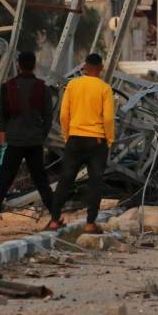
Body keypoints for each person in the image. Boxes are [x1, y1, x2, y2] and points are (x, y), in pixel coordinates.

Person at [0, 51, 55, 232]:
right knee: (41, 180)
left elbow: (2, 115)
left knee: (4, 179)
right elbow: (48, 116)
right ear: (34, 65)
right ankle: (56, 216)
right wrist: (41, 135)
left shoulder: (8, 87)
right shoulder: (42, 88)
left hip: (14, 141)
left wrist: (4, 134)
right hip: (34, 142)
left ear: (18, 66)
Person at [46, 53, 115, 233]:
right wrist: (109, 139)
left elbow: (63, 114)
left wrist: (67, 135)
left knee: (65, 179)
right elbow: (108, 118)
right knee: (95, 182)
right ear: (100, 68)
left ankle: (54, 220)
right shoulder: (104, 88)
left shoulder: (72, 85)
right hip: (97, 141)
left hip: (75, 139)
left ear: (84, 67)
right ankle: (90, 223)